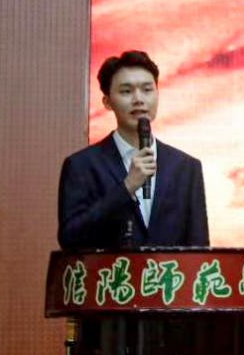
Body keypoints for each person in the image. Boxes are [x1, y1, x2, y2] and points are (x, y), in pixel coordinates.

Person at [57, 50, 209, 250]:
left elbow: (199, 250)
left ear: (157, 94)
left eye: (147, 89)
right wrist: (127, 187)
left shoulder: (186, 168)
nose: (138, 99)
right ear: (107, 102)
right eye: (126, 91)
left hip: (169, 272)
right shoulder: (81, 165)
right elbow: (70, 238)